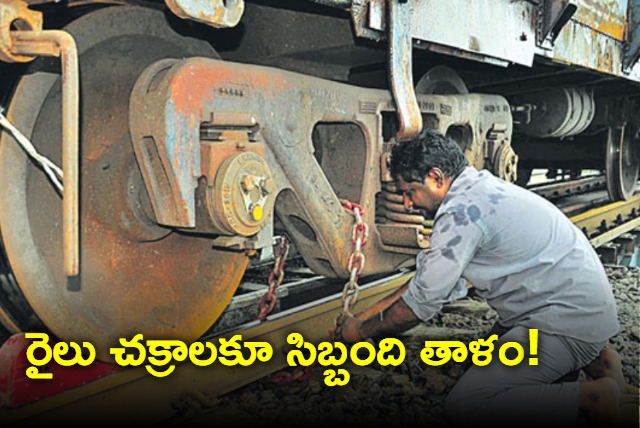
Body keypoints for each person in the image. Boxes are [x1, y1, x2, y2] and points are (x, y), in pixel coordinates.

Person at [331, 129, 627, 426]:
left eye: (410, 192)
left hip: (564, 322)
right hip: (579, 311)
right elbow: (425, 282)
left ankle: (592, 397)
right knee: (481, 359)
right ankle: (599, 362)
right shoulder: (478, 189)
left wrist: (360, 332)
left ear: (436, 177)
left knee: (467, 405)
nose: (408, 204)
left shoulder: (462, 213)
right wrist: (362, 319)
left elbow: (420, 305)